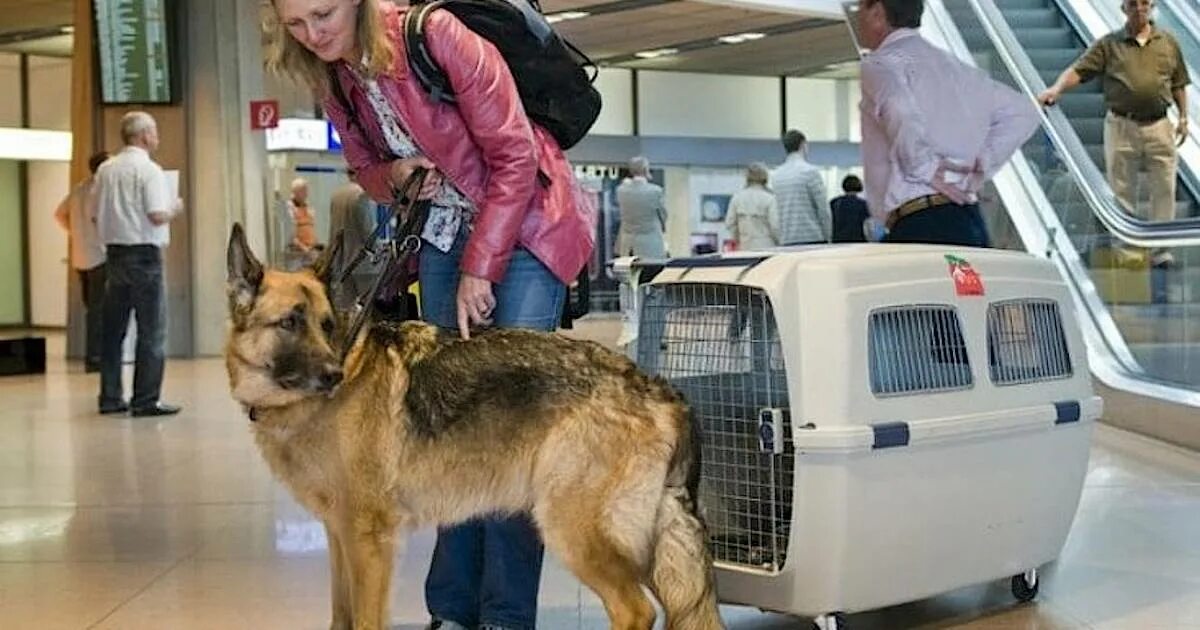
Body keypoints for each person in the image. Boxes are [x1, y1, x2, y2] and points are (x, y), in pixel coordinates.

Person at [266, 2, 595, 629]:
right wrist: (394, 172)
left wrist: (483, 266)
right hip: (441, 239)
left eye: (323, 13)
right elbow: (365, 170)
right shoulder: (335, 74)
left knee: (508, 435)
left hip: (525, 232)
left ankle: (504, 616)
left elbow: (516, 157)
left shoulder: (435, 35)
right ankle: (451, 609)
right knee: (446, 435)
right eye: (296, 26)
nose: (314, 34)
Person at [857, 0, 1039, 247]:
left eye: (860, 9)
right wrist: (983, 162)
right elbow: (1024, 112)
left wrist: (924, 167)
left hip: (920, 221)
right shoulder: (958, 69)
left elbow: (898, 107)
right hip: (969, 218)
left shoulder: (879, 64)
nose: (857, 19)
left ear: (878, 12)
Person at [1038, 0, 1190, 266]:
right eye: (1133, 4)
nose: (1140, 9)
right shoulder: (1110, 44)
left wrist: (1185, 117)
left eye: (1144, 3)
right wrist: (1056, 89)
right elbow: (1079, 70)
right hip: (1122, 125)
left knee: (1164, 186)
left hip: (1159, 124)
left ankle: (1160, 250)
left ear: (1152, 7)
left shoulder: (1168, 42)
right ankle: (1128, 248)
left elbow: (1179, 82)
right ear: (1124, 9)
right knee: (1122, 186)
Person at [92, 111, 183, 417]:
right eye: (155, 132)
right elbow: (157, 214)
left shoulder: (105, 169)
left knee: (113, 332)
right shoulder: (150, 171)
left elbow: (94, 213)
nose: (157, 137)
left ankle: (110, 397)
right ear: (144, 136)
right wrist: (175, 208)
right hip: (145, 256)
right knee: (151, 331)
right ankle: (145, 400)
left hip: (114, 256)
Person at [54, 150, 109, 372]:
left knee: (91, 308)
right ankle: (96, 357)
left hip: (80, 256)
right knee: (99, 310)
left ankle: (93, 355)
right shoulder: (101, 190)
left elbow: (59, 214)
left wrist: (74, 232)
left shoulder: (79, 188)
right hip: (100, 256)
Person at [328, 169, 381, 309]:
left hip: (340, 261)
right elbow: (368, 231)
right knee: (370, 309)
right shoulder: (362, 195)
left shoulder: (336, 195)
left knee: (345, 309)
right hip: (362, 263)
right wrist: (380, 251)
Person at [771, 129, 830, 244]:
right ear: (803, 145)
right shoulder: (810, 172)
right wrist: (828, 236)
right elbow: (823, 209)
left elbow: (776, 212)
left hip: (787, 239)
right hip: (812, 237)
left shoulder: (776, 175)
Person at [615, 156, 667, 258]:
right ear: (645, 170)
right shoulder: (655, 191)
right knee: (651, 272)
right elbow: (663, 216)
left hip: (628, 244)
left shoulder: (621, 190)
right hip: (651, 244)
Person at [724, 162, 781, 250]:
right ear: (765, 177)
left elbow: (730, 223)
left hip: (745, 247)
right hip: (767, 247)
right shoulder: (770, 199)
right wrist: (780, 243)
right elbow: (775, 226)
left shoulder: (737, 198)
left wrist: (737, 239)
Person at [830, 174, 870, 243]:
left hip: (838, 241)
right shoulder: (864, 205)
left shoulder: (834, 202)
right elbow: (868, 226)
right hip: (858, 241)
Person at [288, 177, 321, 261]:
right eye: (303, 191)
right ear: (296, 192)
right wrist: (305, 250)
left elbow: (311, 228)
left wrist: (315, 246)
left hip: (311, 252)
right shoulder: (289, 209)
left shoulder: (308, 208)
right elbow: (291, 236)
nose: (306, 194)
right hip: (298, 255)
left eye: (306, 190)